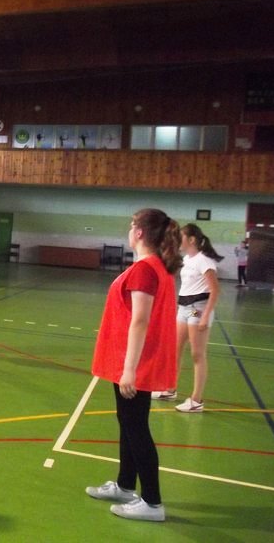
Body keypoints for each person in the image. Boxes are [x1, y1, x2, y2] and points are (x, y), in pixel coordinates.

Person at [86, 208, 181, 522]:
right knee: (128, 422)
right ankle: (126, 485)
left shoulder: (145, 270)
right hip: (131, 358)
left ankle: (152, 503)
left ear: (139, 232)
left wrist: (130, 369)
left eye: (131, 225)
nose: (129, 230)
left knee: (137, 427)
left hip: (135, 362)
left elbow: (140, 321)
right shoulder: (154, 267)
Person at [153, 223, 222, 412]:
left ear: (191, 239)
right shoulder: (186, 259)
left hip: (197, 309)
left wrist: (205, 316)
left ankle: (196, 400)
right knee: (175, 349)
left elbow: (215, 290)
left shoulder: (204, 261)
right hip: (184, 308)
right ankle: (169, 389)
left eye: (181, 237)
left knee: (197, 354)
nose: (177, 241)